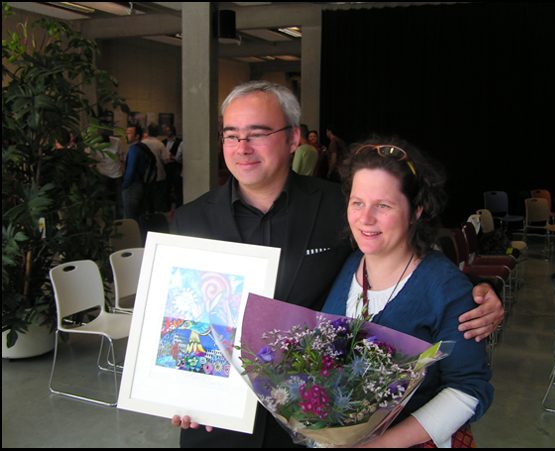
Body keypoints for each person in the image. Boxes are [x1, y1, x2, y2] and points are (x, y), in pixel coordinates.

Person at [170, 81, 503, 448]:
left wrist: (480, 291)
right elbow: (178, 319)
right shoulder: (190, 220)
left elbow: (409, 260)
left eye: (257, 134)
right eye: (231, 135)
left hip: (308, 429)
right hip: (216, 423)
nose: (242, 147)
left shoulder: (337, 206)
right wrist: (176, 386)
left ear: (293, 138)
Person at [321, 137, 493, 448]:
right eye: (357, 202)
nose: (365, 218)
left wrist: (380, 445)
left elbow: (468, 390)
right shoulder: (348, 264)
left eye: (383, 205)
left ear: (416, 211)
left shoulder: (446, 288)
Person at [86, 127, 124, 219]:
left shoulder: (116, 142)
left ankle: (120, 221)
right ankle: (109, 222)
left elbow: (121, 157)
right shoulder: (93, 145)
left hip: (116, 174)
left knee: (120, 201)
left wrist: (124, 171)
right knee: (106, 202)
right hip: (102, 175)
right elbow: (90, 160)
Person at [143, 123, 170, 213]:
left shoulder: (142, 143)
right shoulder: (160, 144)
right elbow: (166, 160)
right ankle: (157, 213)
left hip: (146, 175)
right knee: (158, 197)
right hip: (159, 174)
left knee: (148, 197)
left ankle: (149, 213)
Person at [122, 124, 146, 220]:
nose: (126, 134)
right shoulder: (143, 147)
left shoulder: (134, 149)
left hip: (132, 187)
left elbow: (130, 169)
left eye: (129, 132)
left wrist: (124, 185)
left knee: (129, 218)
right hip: (142, 185)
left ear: (137, 136)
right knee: (139, 217)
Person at [163, 125, 184, 208]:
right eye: (166, 131)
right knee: (167, 187)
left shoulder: (179, 142)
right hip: (167, 165)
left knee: (177, 187)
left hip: (176, 166)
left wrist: (174, 157)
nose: (167, 132)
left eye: (169, 130)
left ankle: (178, 205)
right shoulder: (164, 142)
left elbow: (179, 157)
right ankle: (167, 205)